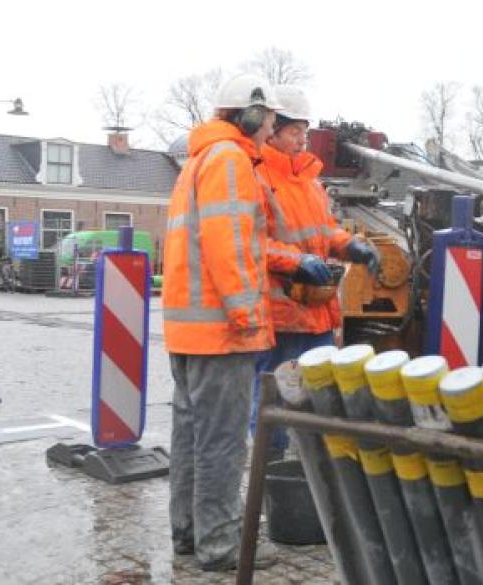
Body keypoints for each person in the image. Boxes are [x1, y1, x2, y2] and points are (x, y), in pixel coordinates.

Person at [161, 73, 294, 571]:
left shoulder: (198, 160)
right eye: (272, 120)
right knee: (221, 446)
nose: (272, 129)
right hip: (222, 331)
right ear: (253, 116)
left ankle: (190, 537)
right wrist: (246, 315)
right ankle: (220, 548)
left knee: (192, 438)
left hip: (189, 331)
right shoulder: (231, 160)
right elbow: (230, 245)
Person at [250, 85, 380, 461]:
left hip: (316, 314)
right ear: (273, 129)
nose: (303, 140)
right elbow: (251, 242)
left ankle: (316, 474)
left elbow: (324, 230)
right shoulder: (257, 178)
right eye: (295, 131)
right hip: (280, 316)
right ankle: (269, 476)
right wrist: (296, 263)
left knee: (324, 399)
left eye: (305, 131)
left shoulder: (309, 182)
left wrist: (348, 245)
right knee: (273, 401)